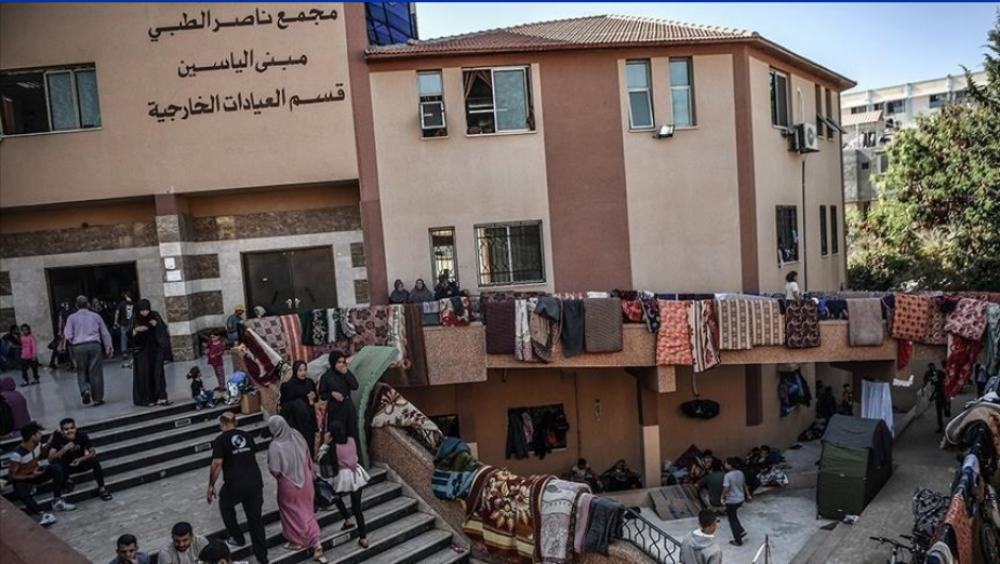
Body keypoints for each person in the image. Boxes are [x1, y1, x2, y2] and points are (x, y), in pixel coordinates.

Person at [208, 412, 268, 564]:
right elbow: (252, 455)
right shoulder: (247, 436)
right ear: (235, 423)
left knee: (225, 505)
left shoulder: (220, 440)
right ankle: (262, 558)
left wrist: (211, 485)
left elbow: (217, 463)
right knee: (255, 520)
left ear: (222, 424)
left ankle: (237, 537)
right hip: (254, 482)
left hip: (235, 484)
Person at [267, 416, 327, 562]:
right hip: (306, 479)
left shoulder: (275, 446)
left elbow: (275, 470)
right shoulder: (297, 435)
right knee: (307, 511)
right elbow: (308, 456)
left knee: (292, 513)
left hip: (288, 484)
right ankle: (316, 543)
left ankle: (298, 541)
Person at [9, 422, 75, 526]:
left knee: (56, 468)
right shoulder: (17, 454)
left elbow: (43, 453)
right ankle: (42, 514)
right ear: (32, 436)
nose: (41, 435)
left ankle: (57, 502)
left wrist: (51, 440)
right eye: (39, 433)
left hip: (36, 473)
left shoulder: (37, 445)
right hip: (24, 478)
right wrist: (30, 476)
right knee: (19, 488)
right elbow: (12, 476)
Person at [324, 421, 370, 549]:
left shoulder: (333, 446)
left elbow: (330, 464)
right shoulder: (351, 440)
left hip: (343, 476)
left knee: (335, 496)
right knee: (357, 508)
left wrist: (325, 445)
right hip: (357, 474)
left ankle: (347, 518)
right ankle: (363, 537)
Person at [44, 417, 113, 501]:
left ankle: (102, 489)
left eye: (72, 428)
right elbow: (50, 458)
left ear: (75, 428)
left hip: (80, 463)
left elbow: (92, 452)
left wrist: (80, 459)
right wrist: (64, 449)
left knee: (94, 460)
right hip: (66, 467)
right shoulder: (58, 438)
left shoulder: (81, 435)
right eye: (66, 429)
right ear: (62, 432)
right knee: (56, 462)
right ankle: (68, 481)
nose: (70, 431)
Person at [63, 295, 113, 406]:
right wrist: (108, 347)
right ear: (88, 304)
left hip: (78, 347)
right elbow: (104, 333)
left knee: (81, 370)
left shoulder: (71, 318)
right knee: (96, 372)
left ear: (76, 306)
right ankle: (97, 398)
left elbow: (68, 335)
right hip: (94, 345)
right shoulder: (96, 316)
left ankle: (85, 390)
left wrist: (74, 342)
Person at [131, 299, 170, 407]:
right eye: (142, 311)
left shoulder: (154, 315)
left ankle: (161, 396)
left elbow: (162, 329)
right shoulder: (135, 318)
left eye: (146, 310)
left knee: (158, 372)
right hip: (142, 351)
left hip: (155, 349)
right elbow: (130, 335)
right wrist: (137, 330)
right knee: (145, 373)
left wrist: (156, 325)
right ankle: (147, 398)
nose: (145, 313)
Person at [279, 360, 319, 459]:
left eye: (305, 370)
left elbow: (315, 398)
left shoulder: (309, 382)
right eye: (300, 370)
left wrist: (313, 397)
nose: (303, 373)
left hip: (309, 417)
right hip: (296, 421)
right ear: (295, 371)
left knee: (310, 442)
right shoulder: (288, 386)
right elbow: (283, 404)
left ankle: (310, 466)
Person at [319, 351, 359, 444]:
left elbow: (355, 386)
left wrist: (346, 374)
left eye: (343, 362)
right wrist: (332, 394)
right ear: (333, 362)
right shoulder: (326, 377)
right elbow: (322, 395)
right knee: (338, 435)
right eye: (339, 362)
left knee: (351, 434)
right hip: (335, 410)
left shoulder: (345, 373)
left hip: (348, 407)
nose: (342, 365)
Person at [721, 457, 752, 547]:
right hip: (740, 499)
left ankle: (738, 540)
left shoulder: (727, 476)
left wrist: (722, 497)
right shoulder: (740, 473)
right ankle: (741, 531)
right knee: (734, 516)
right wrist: (748, 495)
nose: (725, 465)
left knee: (732, 520)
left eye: (726, 463)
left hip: (732, 501)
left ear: (730, 465)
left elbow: (726, 488)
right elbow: (744, 485)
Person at [114, 291, 136, 366]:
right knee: (134, 336)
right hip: (132, 323)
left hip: (124, 324)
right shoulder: (134, 304)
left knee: (124, 337)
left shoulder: (122, 304)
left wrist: (115, 322)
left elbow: (117, 312)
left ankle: (124, 353)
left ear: (126, 296)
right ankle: (136, 349)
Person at [924, 363, 948, 433]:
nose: (932, 368)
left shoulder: (939, 372)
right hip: (938, 394)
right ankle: (940, 426)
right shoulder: (929, 374)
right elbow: (926, 381)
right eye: (930, 367)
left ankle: (946, 411)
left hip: (943, 393)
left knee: (945, 409)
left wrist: (943, 383)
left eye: (932, 367)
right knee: (939, 412)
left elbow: (946, 378)